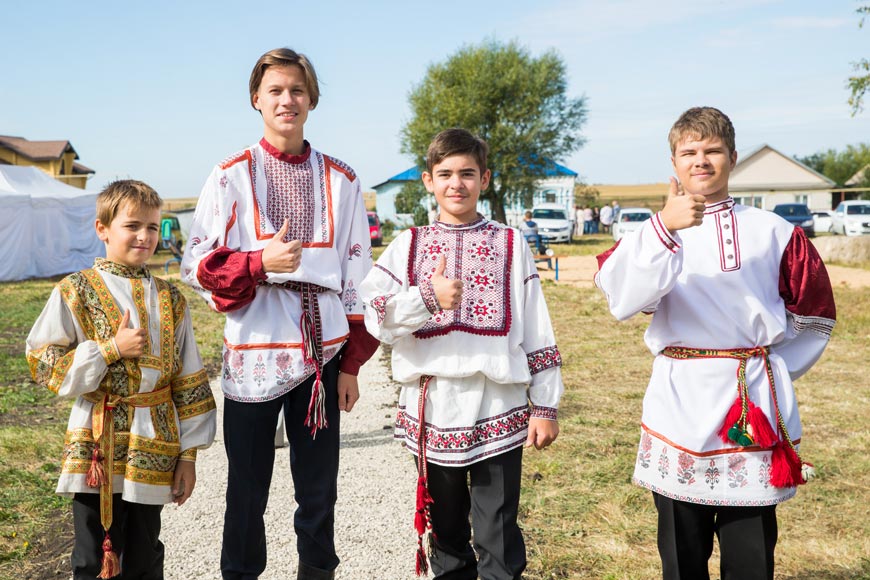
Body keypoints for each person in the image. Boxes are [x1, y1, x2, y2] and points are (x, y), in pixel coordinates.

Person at [594, 107, 836, 580]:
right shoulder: (646, 233)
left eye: (712, 150)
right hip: (678, 400)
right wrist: (665, 228)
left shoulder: (775, 232)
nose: (700, 160)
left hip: (751, 400)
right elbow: (623, 300)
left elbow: (815, 316)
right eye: (689, 152)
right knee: (681, 555)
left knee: (751, 554)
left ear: (733, 157)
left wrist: (771, 370)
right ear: (674, 162)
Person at [180, 48, 379, 580]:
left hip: (322, 356)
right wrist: (256, 262)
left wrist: (354, 364)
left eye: (296, 90)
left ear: (311, 99)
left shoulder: (343, 179)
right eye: (275, 90)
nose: (286, 99)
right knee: (247, 485)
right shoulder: (229, 176)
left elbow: (358, 276)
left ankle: (316, 572)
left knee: (319, 487)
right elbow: (195, 263)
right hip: (254, 350)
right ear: (256, 100)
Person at [359, 128, 564, 579]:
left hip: (498, 402)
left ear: (485, 179)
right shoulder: (407, 245)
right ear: (429, 181)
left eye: (467, 173)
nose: (457, 184)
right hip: (433, 407)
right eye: (446, 174)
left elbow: (536, 327)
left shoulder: (512, 245)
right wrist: (426, 298)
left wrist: (545, 404)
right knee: (447, 534)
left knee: (498, 532)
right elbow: (376, 316)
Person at [26, 180, 217, 580]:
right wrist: (110, 348)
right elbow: (42, 361)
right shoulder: (75, 290)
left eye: (152, 226)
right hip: (98, 441)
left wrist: (189, 456)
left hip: (155, 439)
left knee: (145, 555)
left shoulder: (171, 299)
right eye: (132, 226)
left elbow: (189, 380)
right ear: (103, 229)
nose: (144, 236)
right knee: (91, 556)